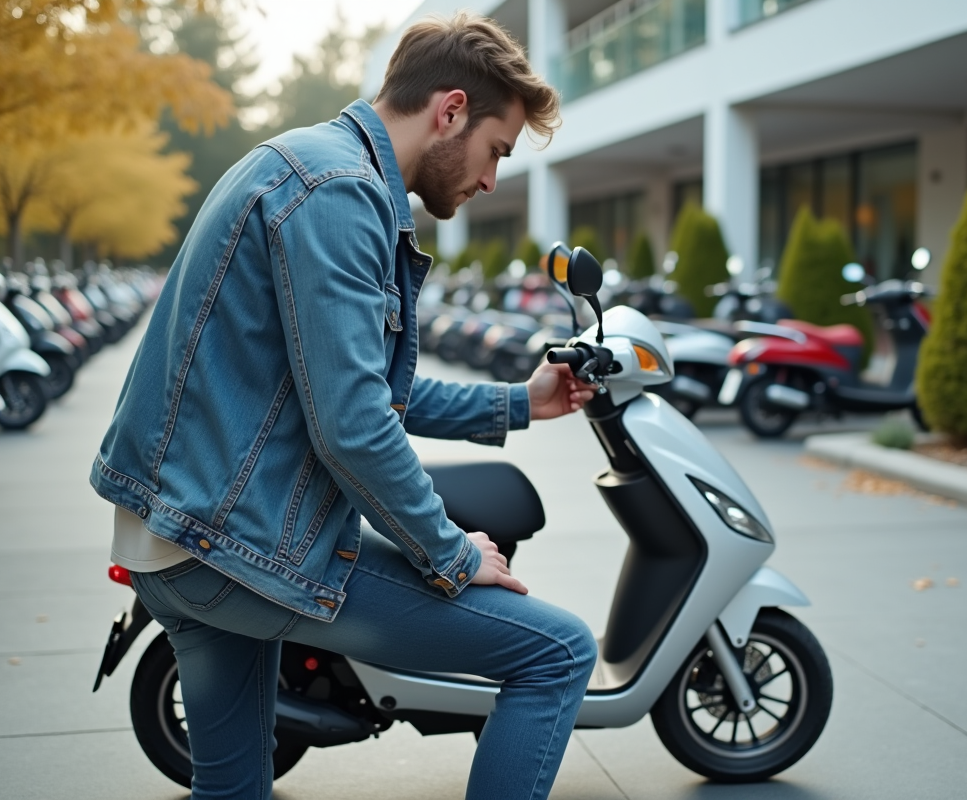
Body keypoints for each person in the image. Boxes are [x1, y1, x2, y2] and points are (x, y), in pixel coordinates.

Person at [91, 12, 598, 800]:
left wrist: (518, 403)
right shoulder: (340, 193)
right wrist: (454, 554)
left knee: (231, 787)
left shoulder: (305, 164)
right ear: (451, 111)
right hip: (229, 544)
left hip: (178, 535)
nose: (491, 180)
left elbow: (357, 389)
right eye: (498, 150)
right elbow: (354, 427)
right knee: (557, 652)